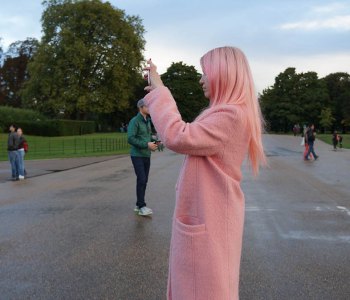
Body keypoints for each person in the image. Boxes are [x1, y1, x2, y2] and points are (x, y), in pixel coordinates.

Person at [143, 46, 266, 299]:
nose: (201, 79)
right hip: (212, 218)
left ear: (223, 74)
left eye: (205, 72)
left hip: (211, 221)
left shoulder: (231, 115)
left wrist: (160, 91)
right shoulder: (228, 113)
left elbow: (177, 136)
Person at [127, 99, 158, 216]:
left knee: (144, 181)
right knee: (141, 179)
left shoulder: (148, 121)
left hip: (146, 155)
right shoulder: (134, 121)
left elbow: (148, 136)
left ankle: (138, 204)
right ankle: (142, 206)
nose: (150, 108)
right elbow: (130, 138)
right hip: (137, 155)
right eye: (148, 106)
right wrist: (146, 144)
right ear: (141, 107)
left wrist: (155, 142)